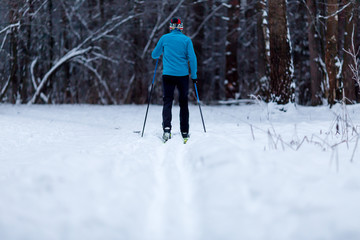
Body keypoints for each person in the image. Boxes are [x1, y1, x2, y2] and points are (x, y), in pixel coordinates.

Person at [151, 17, 197, 142]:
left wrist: (163, 51)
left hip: (168, 75)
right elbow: (192, 58)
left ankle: (167, 129)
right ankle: (185, 131)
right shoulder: (186, 40)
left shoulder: (164, 38)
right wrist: (194, 76)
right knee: (183, 102)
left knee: (167, 101)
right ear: (181, 27)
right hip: (182, 76)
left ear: (171, 26)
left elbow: (154, 55)